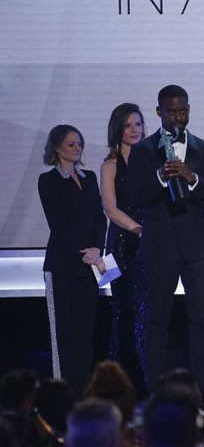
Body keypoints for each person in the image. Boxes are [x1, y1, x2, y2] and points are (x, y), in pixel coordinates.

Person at [127, 85, 204, 401]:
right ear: (159, 112)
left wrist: (191, 177)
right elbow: (134, 197)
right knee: (156, 320)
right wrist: (160, 177)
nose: (178, 116)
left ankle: (201, 389)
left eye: (183, 110)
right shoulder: (143, 151)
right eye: (171, 111)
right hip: (159, 247)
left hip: (198, 248)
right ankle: (155, 387)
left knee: (202, 320)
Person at [37, 124, 107, 392]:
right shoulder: (49, 180)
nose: (77, 148)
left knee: (85, 334)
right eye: (71, 144)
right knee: (65, 335)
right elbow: (59, 224)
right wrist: (84, 253)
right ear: (57, 148)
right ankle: (64, 392)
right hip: (63, 266)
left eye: (79, 143)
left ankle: (83, 390)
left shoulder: (89, 177)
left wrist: (96, 249)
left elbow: (99, 217)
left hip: (89, 266)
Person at [99, 102, 149, 395]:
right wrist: (138, 229)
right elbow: (109, 208)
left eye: (138, 124)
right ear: (118, 128)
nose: (134, 130)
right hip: (120, 243)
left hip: (150, 243)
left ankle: (145, 379)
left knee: (146, 311)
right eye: (128, 125)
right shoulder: (110, 165)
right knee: (124, 310)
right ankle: (120, 383)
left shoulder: (152, 161)